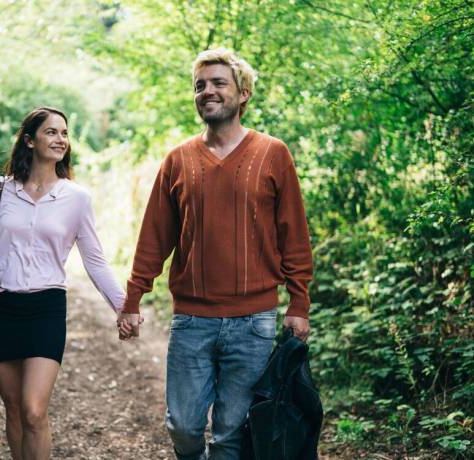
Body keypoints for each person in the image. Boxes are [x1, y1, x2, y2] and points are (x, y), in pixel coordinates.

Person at [116, 48, 314, 460]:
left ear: (243, 94)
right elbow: (156, 235)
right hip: (192, 321)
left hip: (254, 322)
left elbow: (293, 232)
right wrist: (134, 295)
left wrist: (299, 302)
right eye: (200, 85)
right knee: (184, 427)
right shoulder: (179, 159)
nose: (207, 91)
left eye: (218, 83)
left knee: (231, 434)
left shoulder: (272, 153)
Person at [0, 107, 125, 460]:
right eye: (51, 132)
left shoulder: (77, 198)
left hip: (46, 308)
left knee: (33, 409)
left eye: (64, 133)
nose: (61, 139)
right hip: (2, 310)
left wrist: (125, 306)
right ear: (29, 140)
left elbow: (94, 260)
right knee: (13, 409)